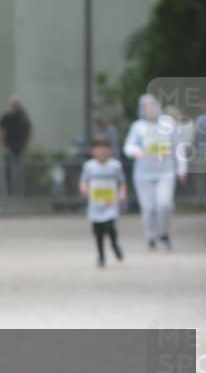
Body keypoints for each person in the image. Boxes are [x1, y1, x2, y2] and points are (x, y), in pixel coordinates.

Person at [123, 94, 187, 250]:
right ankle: (151, 236)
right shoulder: (138, 126)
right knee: (149, 208)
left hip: (166, 172)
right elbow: (128, 146)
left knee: (164, 205)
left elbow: (180, 147)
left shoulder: (169, 123)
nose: (150, 109)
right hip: (143, 173)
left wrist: (182, 169)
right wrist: (135, 151)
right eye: (146, 106)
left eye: (152, 105)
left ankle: (163, 233)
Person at [79, 136, 127, 268]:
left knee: (110, 227)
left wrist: (122, 193)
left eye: (104, 149)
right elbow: (84, 181)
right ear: (93, 151)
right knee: (98, 231)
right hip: (95, 204)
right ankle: (101, 255)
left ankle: (114, 244)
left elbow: (121, 182)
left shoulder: (115, 165)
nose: (101, 152)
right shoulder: (89, 166)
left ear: (110, 150)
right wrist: (84, 189)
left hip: (110, 203)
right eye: (98, 149)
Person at [0, 96, 31, 197]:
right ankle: (9, 192)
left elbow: (29, 131)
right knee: (8, 171)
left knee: (20, 171)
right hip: (9, 148)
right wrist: (3, 145)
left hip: (20, 148)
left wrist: (26, 145)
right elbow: (2, 132)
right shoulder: (6, 118)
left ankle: (20, 192)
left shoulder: (24, 118)